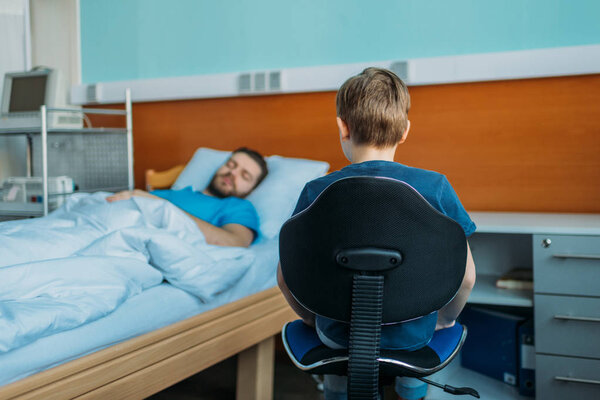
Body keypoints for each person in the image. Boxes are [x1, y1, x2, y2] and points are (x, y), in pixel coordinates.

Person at [277, 68, 477, 400]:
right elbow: (466, 277)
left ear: (342, 126)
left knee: (339, 368)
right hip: (414, 337)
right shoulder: (436, 187)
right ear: (405, 131)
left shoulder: (315, 191)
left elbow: (286, 279)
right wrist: (442, 320)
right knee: (413, 365)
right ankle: (411, 389)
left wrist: (316, 323)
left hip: (337, 339)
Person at [107, 147, 268, 248]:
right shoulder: (176, 193)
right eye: (231, 165)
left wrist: (162, 206)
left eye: (244, 175)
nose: (232, 173)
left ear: (250, 190)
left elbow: (234, 242)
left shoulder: (238, 207)